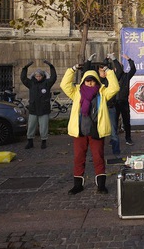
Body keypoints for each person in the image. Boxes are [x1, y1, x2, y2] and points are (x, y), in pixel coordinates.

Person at [60, 63, 119, 194]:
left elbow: (115, 87)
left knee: (98, 157)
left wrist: (108, 71)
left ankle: (101, 185)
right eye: (87, 81)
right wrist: (72, 69)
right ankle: (78, 185)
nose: (90, 83)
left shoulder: (102, 93)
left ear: (96, 81)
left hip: (96, 131)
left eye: (92, 81)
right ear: (83, 82)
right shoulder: (76, 93)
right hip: (79, 131)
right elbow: (64, 85)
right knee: (79, 158)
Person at [20, 60, 57, 149]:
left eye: (40, 76)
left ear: (42, 76)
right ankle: (30, 142)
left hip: (44, 109)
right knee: (31, 126)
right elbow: (23, 79)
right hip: (33, 108)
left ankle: (44, 141)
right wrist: (25, 68)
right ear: (34, 76)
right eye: (36, 76)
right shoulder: (31, 83)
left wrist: (51, 66)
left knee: (44, 126)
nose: (38, 77)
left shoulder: (47, 83)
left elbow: (53, 78)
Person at [109, 54, 136, 146]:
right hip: (114, 102)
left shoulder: (126, 76)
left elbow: (133, 69)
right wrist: (106, 59)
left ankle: (128, 138)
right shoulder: (112, 77)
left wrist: (129, 59)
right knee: (114, 122)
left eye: (120, 66)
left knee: (126, 121)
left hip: (124, 102)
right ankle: (113, 139)